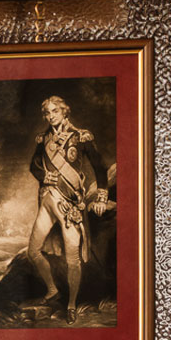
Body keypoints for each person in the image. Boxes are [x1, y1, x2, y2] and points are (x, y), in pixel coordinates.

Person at [25, 93, 114, 318]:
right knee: (33, 251)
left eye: (55, 111)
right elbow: (34, 166)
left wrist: (102, 197)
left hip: (69, 204)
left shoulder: (81, 137)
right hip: (47, 200)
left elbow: (99, 167)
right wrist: (44, 176)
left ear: (65, 111)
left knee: (72, 259)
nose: (50, 116)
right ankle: (53, 290)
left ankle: (72, 305)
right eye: (47, 112)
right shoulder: (42, 140)